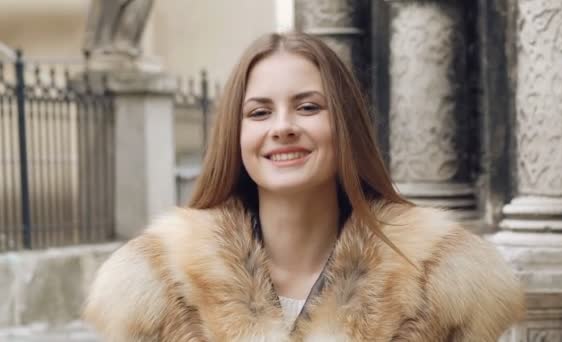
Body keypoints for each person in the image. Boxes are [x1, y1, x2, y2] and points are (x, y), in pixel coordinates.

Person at [83, 32, 525, 341]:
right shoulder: (162, 286)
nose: (283, 127)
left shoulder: (440, 279)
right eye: (259, 113)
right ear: (235, 138)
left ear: (346, 125)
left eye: (308, 106)